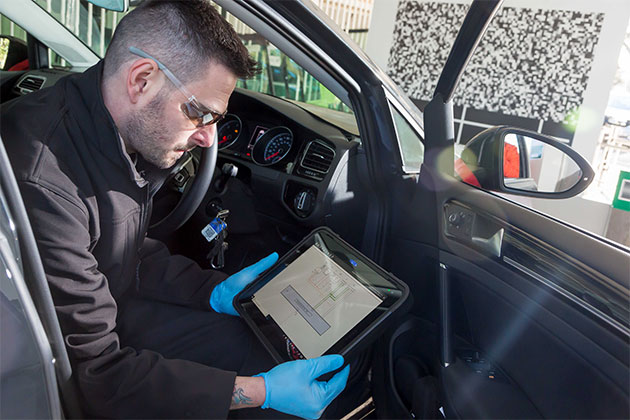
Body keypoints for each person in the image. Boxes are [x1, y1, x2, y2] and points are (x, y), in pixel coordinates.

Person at [1, 1, 349, 418]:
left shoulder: (102, 123)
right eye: (200, 113)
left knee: (256, 344)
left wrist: (212, 291)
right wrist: (260, 392)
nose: (208, 138)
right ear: (141, 80)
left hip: (111, 307)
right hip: (69, 374)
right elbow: (99, 377)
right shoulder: (46, 182)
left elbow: (121, 251)